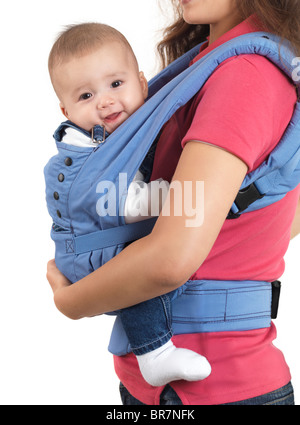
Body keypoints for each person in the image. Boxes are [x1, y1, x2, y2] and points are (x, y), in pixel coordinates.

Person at [46, 0, 300, 405]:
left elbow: (170, 260)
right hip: (162, 381)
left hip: (214, 382)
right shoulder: (208, 61)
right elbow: (272, 216)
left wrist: (71, 301)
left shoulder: (244, 73)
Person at [46, 22, 211, 388]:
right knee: (144, 260)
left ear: (141, 83)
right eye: (85, 97)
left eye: (115, 85)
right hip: (93, 254)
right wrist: (179, 190)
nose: (104, 101)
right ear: (65, 109)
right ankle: (154, 354)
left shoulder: (126, 134)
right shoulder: (92, 151)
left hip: (94, 244)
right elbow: (127, 203)